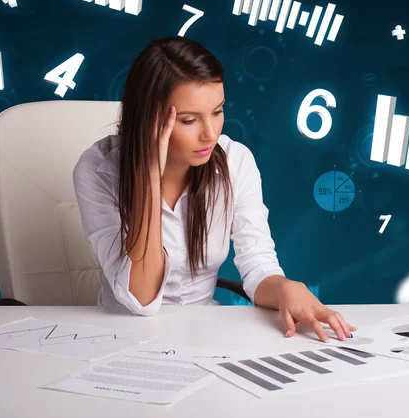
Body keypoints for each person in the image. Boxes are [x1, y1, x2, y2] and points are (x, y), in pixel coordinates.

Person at [73, 36, 357, 343]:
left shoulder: (236, 161)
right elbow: (140, 300)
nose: (210, 134)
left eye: (218, 111)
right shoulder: (97, 169)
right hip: (120, 335)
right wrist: (150, 174)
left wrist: (286, 287)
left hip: (205, 335)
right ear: (148, 120)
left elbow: (257, 264)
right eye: (190, 120)